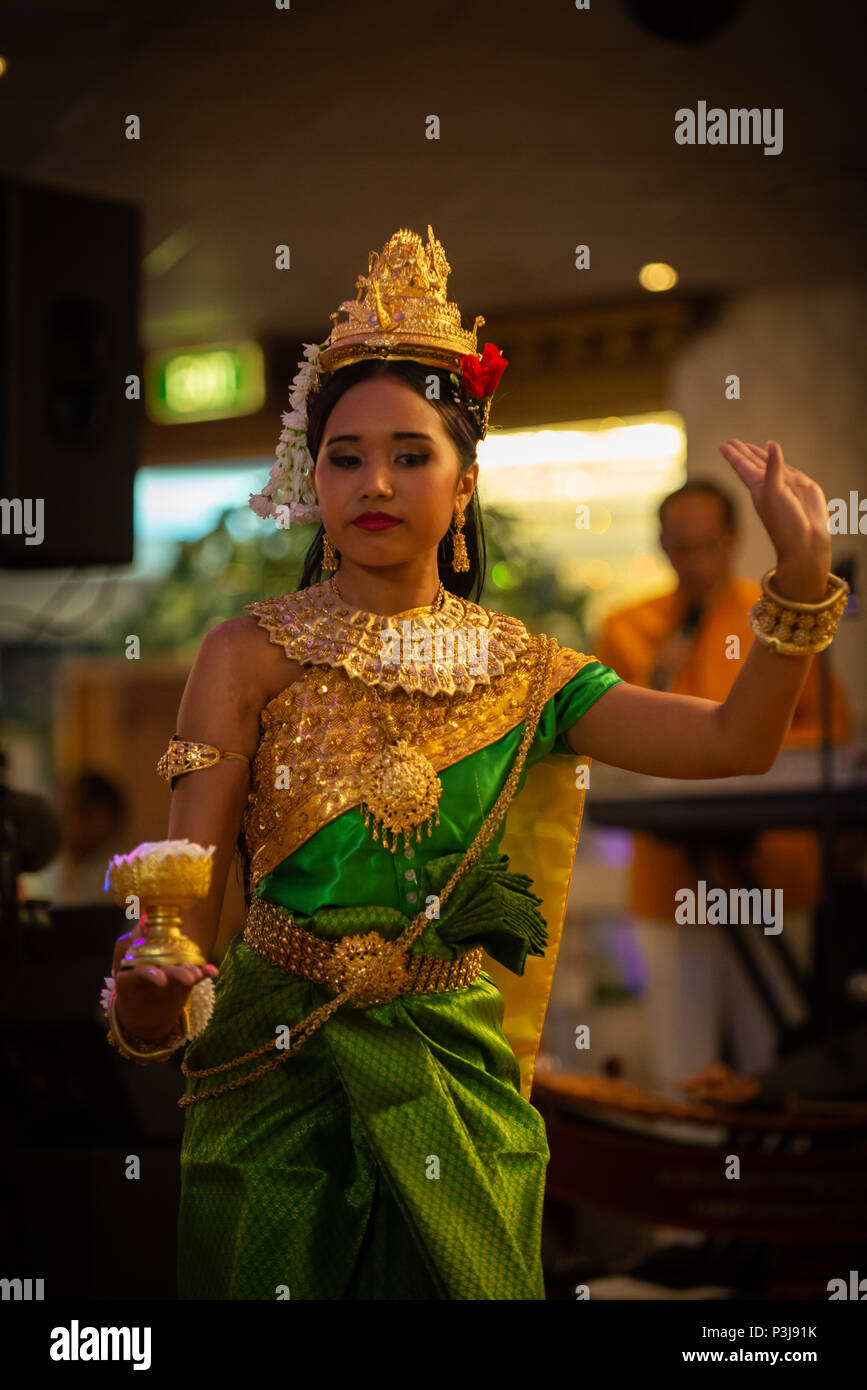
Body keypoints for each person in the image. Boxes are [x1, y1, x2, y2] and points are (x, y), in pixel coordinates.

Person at [103, 225, 848, 1300]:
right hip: (275, 1067)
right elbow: (181, 889)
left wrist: (802, 583)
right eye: (345, 455)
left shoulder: (525, 673)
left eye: (413, 454)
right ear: (312, 480)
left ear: (462, 487)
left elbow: (737, 741)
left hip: (451, 1080)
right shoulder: (245, 653)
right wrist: (147, 993)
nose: (376, 480)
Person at [595, 481, 851, 1078]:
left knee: (777, 1058)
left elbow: (833, 728)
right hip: (670, 880)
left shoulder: (779, 619)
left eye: (708, 546)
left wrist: (744, 748)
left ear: (734, 541)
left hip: (774, 874)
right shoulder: (628, 627)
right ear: (660, 545)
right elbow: (605, 750)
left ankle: (767, 1168)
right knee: (683, 1060)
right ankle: (695, 1164)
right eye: (681, 548)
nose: (696, 563)